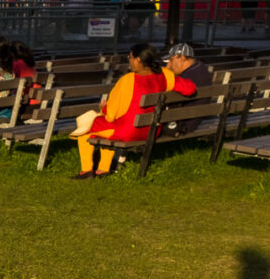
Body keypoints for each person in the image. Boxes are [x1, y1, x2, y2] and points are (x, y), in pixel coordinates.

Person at [71, 41, 196, 179]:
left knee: (85, 129)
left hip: (129, 130)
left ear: (138, 59)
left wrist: (104, 108)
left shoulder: (128, 80)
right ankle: (102, 170)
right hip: (152, 130)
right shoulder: (165, 75)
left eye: (130, 57)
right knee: (102, 130)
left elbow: (111, 114)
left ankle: (87, 170)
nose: (129, 60)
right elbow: (190, 88)